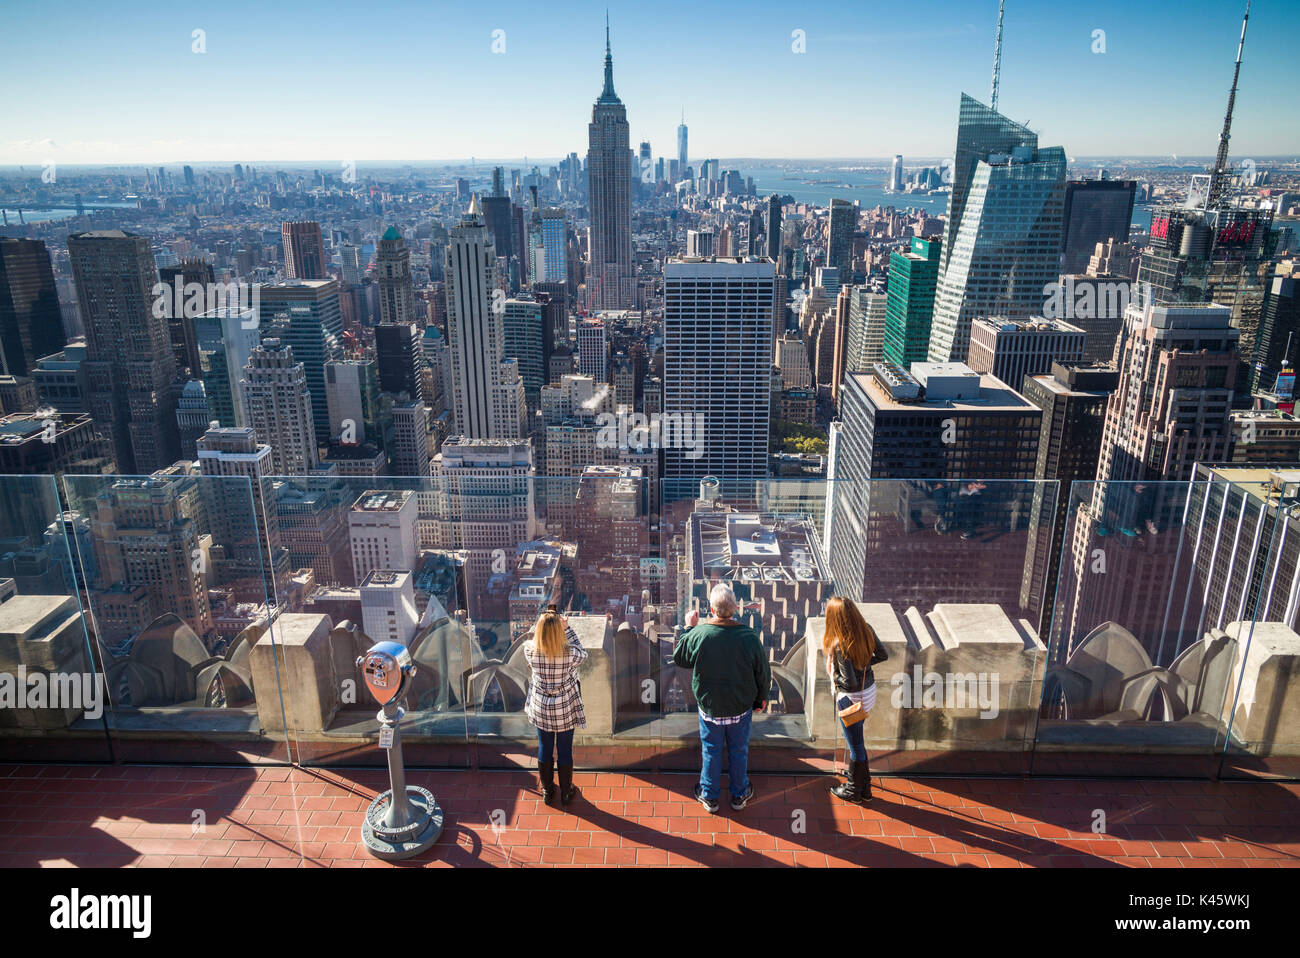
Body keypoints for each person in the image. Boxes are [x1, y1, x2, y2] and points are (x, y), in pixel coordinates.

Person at [673, 582, 771, 813]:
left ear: (711, 609)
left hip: (710, 706)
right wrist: (761, 699)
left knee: (711, 749)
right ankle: (739, 794)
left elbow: (681, 659)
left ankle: (709, 795)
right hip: (740, 706)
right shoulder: (749, 637)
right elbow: (763, 673)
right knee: (738, 750)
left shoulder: (701, 633)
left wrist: (689, 628)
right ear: (736, 608)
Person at [823, 596, 888, 804]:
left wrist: (834, 677)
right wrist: (864, 665)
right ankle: (865, 789)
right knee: (858, 743)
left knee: (856, 747)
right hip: (868, 692)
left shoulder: (840, 644)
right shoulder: (866, 628)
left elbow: (849, 682)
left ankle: (853, 790)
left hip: (851, 699)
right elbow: (883, 654)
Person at [523, 607, 587, 806]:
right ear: (559, 630)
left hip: (541, 705)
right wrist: (567, 630)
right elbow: (583, 654)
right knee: (564, 749)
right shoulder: (568, 654)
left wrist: (545, 624)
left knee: (545, 747)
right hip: (564, 706)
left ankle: (548, 790)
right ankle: (566, 792)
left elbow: (537, 639)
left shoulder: (529, 650)